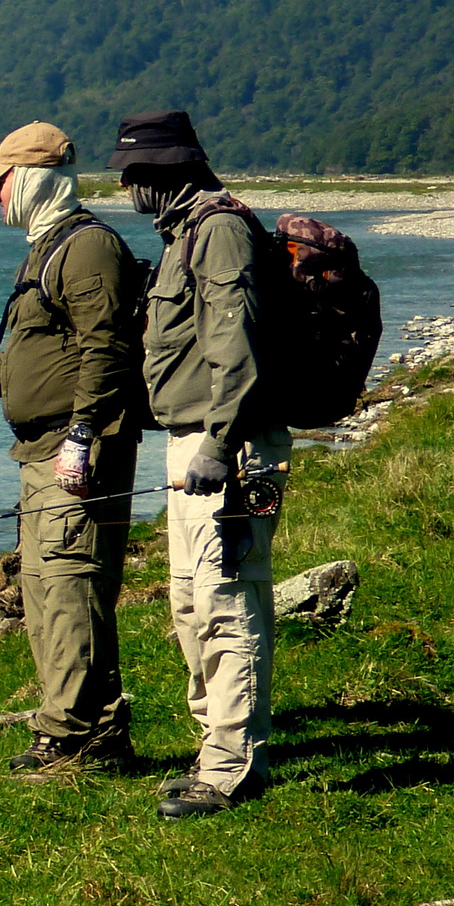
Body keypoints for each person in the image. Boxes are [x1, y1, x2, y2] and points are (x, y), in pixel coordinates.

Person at [0, 121, 147, 775]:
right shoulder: (44, 248)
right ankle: (84, 732)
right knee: (44, 596)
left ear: (36, 178)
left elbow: (109, 350)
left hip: (76, 455)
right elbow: (31, 356)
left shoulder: (89, 249)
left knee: (71, 593)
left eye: (2, 182)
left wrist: (80, 435)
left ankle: (72, 739)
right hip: (38, 453)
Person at [105, 108, 291, 821]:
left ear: (163, 171)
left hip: (232, 445)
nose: (126, 189)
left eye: (131, 175)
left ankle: (234, 767)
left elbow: (233, 340)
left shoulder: (217, 230)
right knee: (188, 601)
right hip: (191, 441)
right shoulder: (184, 232)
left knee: (227, 597)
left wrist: (219, 441)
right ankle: (213, 748)